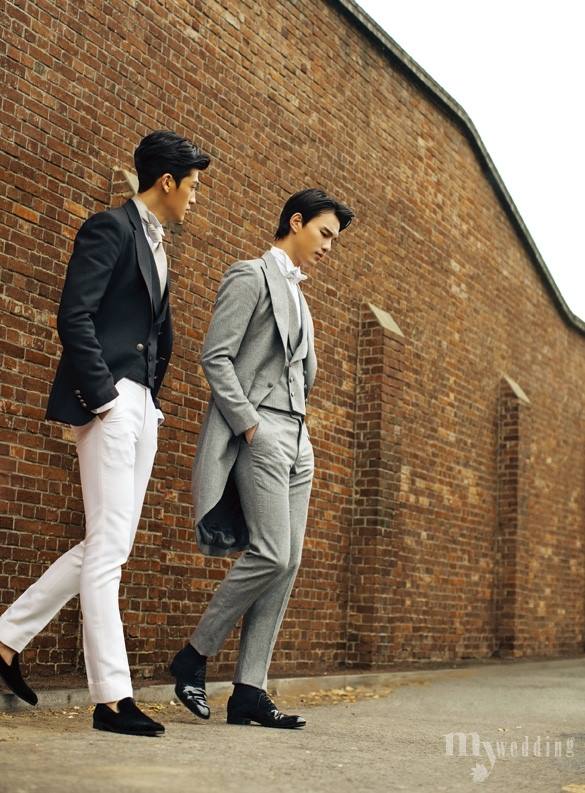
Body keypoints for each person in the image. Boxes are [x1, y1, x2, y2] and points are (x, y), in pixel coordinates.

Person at [0, 130, 210, 737]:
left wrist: (150, 404)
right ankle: (112, 698)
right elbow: (75, 315)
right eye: (192, 186)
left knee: (105, 544)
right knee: (110, 551)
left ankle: (6, 641)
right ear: (166, 181)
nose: (195, 197)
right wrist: (108, 398)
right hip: (112, 402)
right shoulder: (109, 228)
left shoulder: (158, 243)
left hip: (142, 406)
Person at [170, 188, 353, 729]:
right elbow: (216, 356)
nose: (328, 247)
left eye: (333, 240)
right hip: (263, 429)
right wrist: (250, 425)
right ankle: (194, 655)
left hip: (298, 437)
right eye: (324, 234)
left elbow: (301, 369)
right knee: (271, 553)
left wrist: (298, 430)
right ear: (295, 222)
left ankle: (250, 690)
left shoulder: (300, 294)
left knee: (288, 562)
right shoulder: (249, 276)